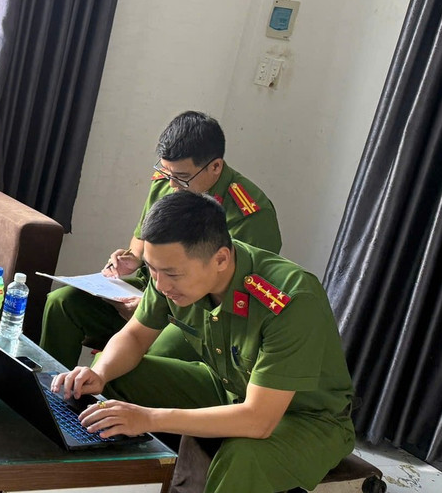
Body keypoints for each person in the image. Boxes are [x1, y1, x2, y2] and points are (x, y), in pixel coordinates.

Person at [51, 190, 354, 493]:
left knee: (245, 457)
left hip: (308, 420)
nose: (161, 284)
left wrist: (149, 417)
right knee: (121, 377)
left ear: (221, 259)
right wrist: (100, 373)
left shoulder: (290, 300)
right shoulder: (171, 269)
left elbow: (258, 420)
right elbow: (135, 335)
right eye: (154, 272)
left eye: (171, 274)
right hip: (230, 388)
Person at [39, 111, 282, 368]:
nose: (172, 184)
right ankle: (47, 388)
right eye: (166, 172)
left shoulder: (251, 215)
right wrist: (132, 259)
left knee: (147, 359)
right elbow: (141, 240)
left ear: (215, 167)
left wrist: (155, 308)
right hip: (151, 291)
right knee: (62, 303)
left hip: (202, 316)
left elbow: (233, 295)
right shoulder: (169, 180)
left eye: (182, 177)